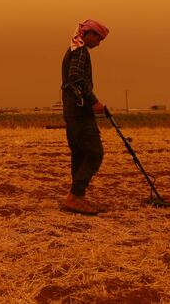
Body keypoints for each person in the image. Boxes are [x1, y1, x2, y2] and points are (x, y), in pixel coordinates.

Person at [60, 19, 109, 215]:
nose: (99, 43)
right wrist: (94, 101)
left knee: (79, 154)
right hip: (80, 111)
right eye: (99, 39)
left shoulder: (73, 48)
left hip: (71, 110)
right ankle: (75, 196)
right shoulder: (80, 51)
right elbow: (76, 78)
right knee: (94, 153)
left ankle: (77, 197)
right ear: (90, 34)